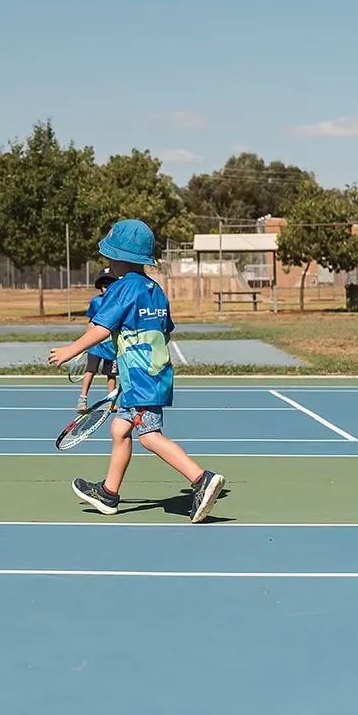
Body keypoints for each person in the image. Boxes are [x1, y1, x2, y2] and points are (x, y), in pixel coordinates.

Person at [48, 219, 226, 523]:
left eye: (110, 255)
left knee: (149, 436)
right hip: (151, 375)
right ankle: (108, 493)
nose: (107, 260)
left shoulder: (121, 290)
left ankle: (201, 479)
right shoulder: (155, 290)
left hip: (141, 380)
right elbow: (164, 334)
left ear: (119, 258)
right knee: (120, 429)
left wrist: (70, 350)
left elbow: (101, 330)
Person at [77, 269, 119, 412]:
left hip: (112, 346)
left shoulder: (119, 302)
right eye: (104, 284)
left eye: (110, 284)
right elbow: (91, 322)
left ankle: (111, 402)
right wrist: (86, 341)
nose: (106, 287)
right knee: (90, 371)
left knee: (111, 374)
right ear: (100, 286)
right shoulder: (96, 301)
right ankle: (82, 400)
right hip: (96, 345)